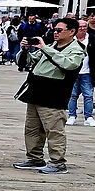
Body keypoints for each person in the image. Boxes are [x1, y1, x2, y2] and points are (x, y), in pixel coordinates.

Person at [14, 17, 84, 173]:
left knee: (54, 130)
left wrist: (46, 48)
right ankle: (34, 158)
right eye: (54, 29)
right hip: (36, 91)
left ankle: (58, 163)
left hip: (54, 94)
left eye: (59, 30)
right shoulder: (51, 46)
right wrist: (25, 51)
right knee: (32, 128)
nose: (55, 33)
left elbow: (69, 64)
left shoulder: (76, 49)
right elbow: (29, 62)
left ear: (72, 31)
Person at [67, 17, 95, 125]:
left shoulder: (93, 38)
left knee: (88, 95)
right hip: (73, 71)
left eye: (85, 26)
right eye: (80, 27)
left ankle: (88, 117)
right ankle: (71, 115)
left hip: (88, 71)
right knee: (72, 95)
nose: (82, 29)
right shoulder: (69, 39)